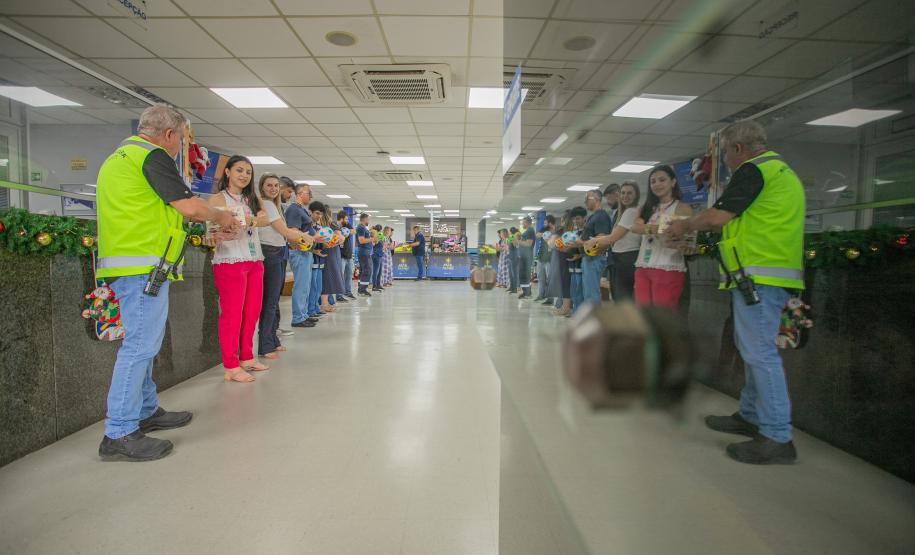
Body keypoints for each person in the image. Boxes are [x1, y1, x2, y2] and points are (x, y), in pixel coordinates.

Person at [95, 105, 238, 461]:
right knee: (140, 347)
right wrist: (221, 215)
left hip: (133, 263)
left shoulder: (120, 157)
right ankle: (119, 432)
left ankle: (145, 410)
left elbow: (154, 212)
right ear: (170, 134)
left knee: (143, 344)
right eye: (183, 140)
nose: (181, 149)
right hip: (141, 264)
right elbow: (188, 206)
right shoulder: (151, 155)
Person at [667, 121, 804, 464]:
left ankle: (777, 436)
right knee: (754, 350)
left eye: (724, 152)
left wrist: (684, 224)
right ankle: (751, 415)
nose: (724, 159)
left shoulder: (754, 170)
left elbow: (717, 217)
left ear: (738, 149)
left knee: (759, 354)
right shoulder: (780, 171)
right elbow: (746, 224)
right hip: (765, 273)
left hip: (760, 275)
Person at [207, 155, 270, 384]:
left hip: (255, 260)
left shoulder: (252, 199)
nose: (244, 175)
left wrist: (249, 219)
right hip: (230, 260)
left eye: (248, 172)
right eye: (239, 170)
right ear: (227, 172)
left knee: (252, 311)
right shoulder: (217, 198)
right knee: (232, 314)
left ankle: (246, 357)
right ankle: (231, 365)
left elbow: (264, 219)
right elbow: (212, 229)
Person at [257, 173, 307, 361]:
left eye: (276, 185)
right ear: (262, 187)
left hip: (279, 251)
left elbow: (283, 234)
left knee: (274, 300)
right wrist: (308, 238)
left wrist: (292, 240)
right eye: (269, 185)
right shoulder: (266, 204)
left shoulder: (276, 206)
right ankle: (265, 344)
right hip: (269, 253)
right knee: (269, 301)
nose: (273, 188)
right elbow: (283, 231)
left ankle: (273, 339)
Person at [630, 165, 693, 310]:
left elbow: (688, 240)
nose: (657, 184)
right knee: (643, 314)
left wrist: (650, 229)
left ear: (673, 182)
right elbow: (635, 227)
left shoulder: (683, 208)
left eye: (662, 180)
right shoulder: (645, 208)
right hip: (643, 266)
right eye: (653, 181)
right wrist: (659, 229)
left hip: (668, 267)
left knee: (663, 316)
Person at [583, 181, 641, 300]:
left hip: (626, 258)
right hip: (619, 258)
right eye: (623, 193)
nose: (625, 196)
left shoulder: (631, 211)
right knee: (617, 295)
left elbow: (613, 237)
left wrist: (593, 241)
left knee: (622, 297)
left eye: (629, 193)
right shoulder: (623, 212)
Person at [285, 183, 320, 328]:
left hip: (306, 252)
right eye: (308, 193)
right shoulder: (293, 210)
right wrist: (312, 239)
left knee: (306, 285)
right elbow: (293, 233)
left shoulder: (302, 210)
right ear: (300, 193)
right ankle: (298, 317)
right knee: (300, 285)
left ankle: (304, 314)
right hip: (299, 252)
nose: (310, 196)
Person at [575, 190, 612, 307]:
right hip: (588, 258)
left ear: (594, 199)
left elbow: (602, 240)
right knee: (588, 293)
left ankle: (594, 321)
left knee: (592, 293)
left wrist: (581, 242)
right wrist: (578, 243)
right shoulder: (593, 217)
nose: (585, 202)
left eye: (587, 199)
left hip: (594, 259)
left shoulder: (601, 216)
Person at [319, 205, 347, 310]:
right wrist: (343, 238)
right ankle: (324, 304)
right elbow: (339, 238)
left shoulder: (319, 225)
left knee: (323, 278)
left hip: (322, 252)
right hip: (331, 253)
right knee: (329, 278)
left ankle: (326, 302)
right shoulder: (333, 224)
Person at [307, 201, 331, 316]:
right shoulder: (307, 226)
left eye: (320, 214)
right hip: (311, 260)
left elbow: (322, 242)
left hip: (320, 261)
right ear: (310, 212)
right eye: (316, 213)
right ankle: (310, 310)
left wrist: (329, 243)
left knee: (318, 287)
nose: (318, 216)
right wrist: (314, 250)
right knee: (311, 287)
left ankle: (315, 308)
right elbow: (303, 242)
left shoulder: (319, 227)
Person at [567, 207, 587, 313]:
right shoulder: (575, 232)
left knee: (580, 291)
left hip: (582, 265)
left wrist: (579, 256)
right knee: (574, 291)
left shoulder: (587, 231)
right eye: (574, 219)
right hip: (573, 266)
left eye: (578, 218)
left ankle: (579, 314)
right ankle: (575, 312)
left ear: (585, 218)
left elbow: (591, 248)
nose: (576, 221)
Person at [535, 215, 555, 302]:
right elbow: (537, 235)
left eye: (546, 223)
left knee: (549, 279)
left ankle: (550, 298)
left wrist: (551, 235)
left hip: (549, 259)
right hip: (541, 258)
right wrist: (544, 233)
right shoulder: (544, 230)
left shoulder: (556, 232)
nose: (544, 224)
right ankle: (540, 295)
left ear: (550, 223)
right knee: (540, 278)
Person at [356, 213, 375, 296]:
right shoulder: (361, 227)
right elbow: (361, 240)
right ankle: (362, 290)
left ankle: (361, 288)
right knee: (367, 270)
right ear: (364, 219)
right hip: (364, 252)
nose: (369, 221)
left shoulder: (363, 228)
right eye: (368, 219)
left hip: (365, 251)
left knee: (363, 270)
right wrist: (372, 239)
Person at [517, 217, 536, 298]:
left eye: (523, 223)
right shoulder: (528, 231)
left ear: (527, 223)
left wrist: (518, 241)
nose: (522, 224)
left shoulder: (530, 231)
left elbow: (529, 244)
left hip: (527, 256)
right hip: (524, 256)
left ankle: (527, 292)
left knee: (525, 274)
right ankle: (525, 292)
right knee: (523, 274)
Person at [371, 224, 384, 292]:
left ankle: (378, 285)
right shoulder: (375, 235)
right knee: (376, 271)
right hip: (376, 254)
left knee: (379, 271)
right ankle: (374, 286)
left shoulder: (380, 235)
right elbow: (374, 243)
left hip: (380, 254)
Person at [507, 226, 520, 293]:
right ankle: (512, 287)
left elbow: (516, 245)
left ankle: (515, 288)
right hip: (510, 257)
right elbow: (507, 245)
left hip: (515, 257)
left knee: (514, 273)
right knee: (510, 273)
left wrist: (513, 238)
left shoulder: (515, 237)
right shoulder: (511, 237)